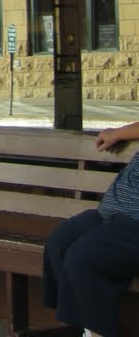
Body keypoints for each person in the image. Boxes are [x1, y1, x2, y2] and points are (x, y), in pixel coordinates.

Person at [43, 120, 139, 337]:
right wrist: (119, 133)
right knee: (60, 242)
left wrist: (120, 132)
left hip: (134, 223)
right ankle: (87, 327)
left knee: (84, 257)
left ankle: (98, 332)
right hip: (113, 213)